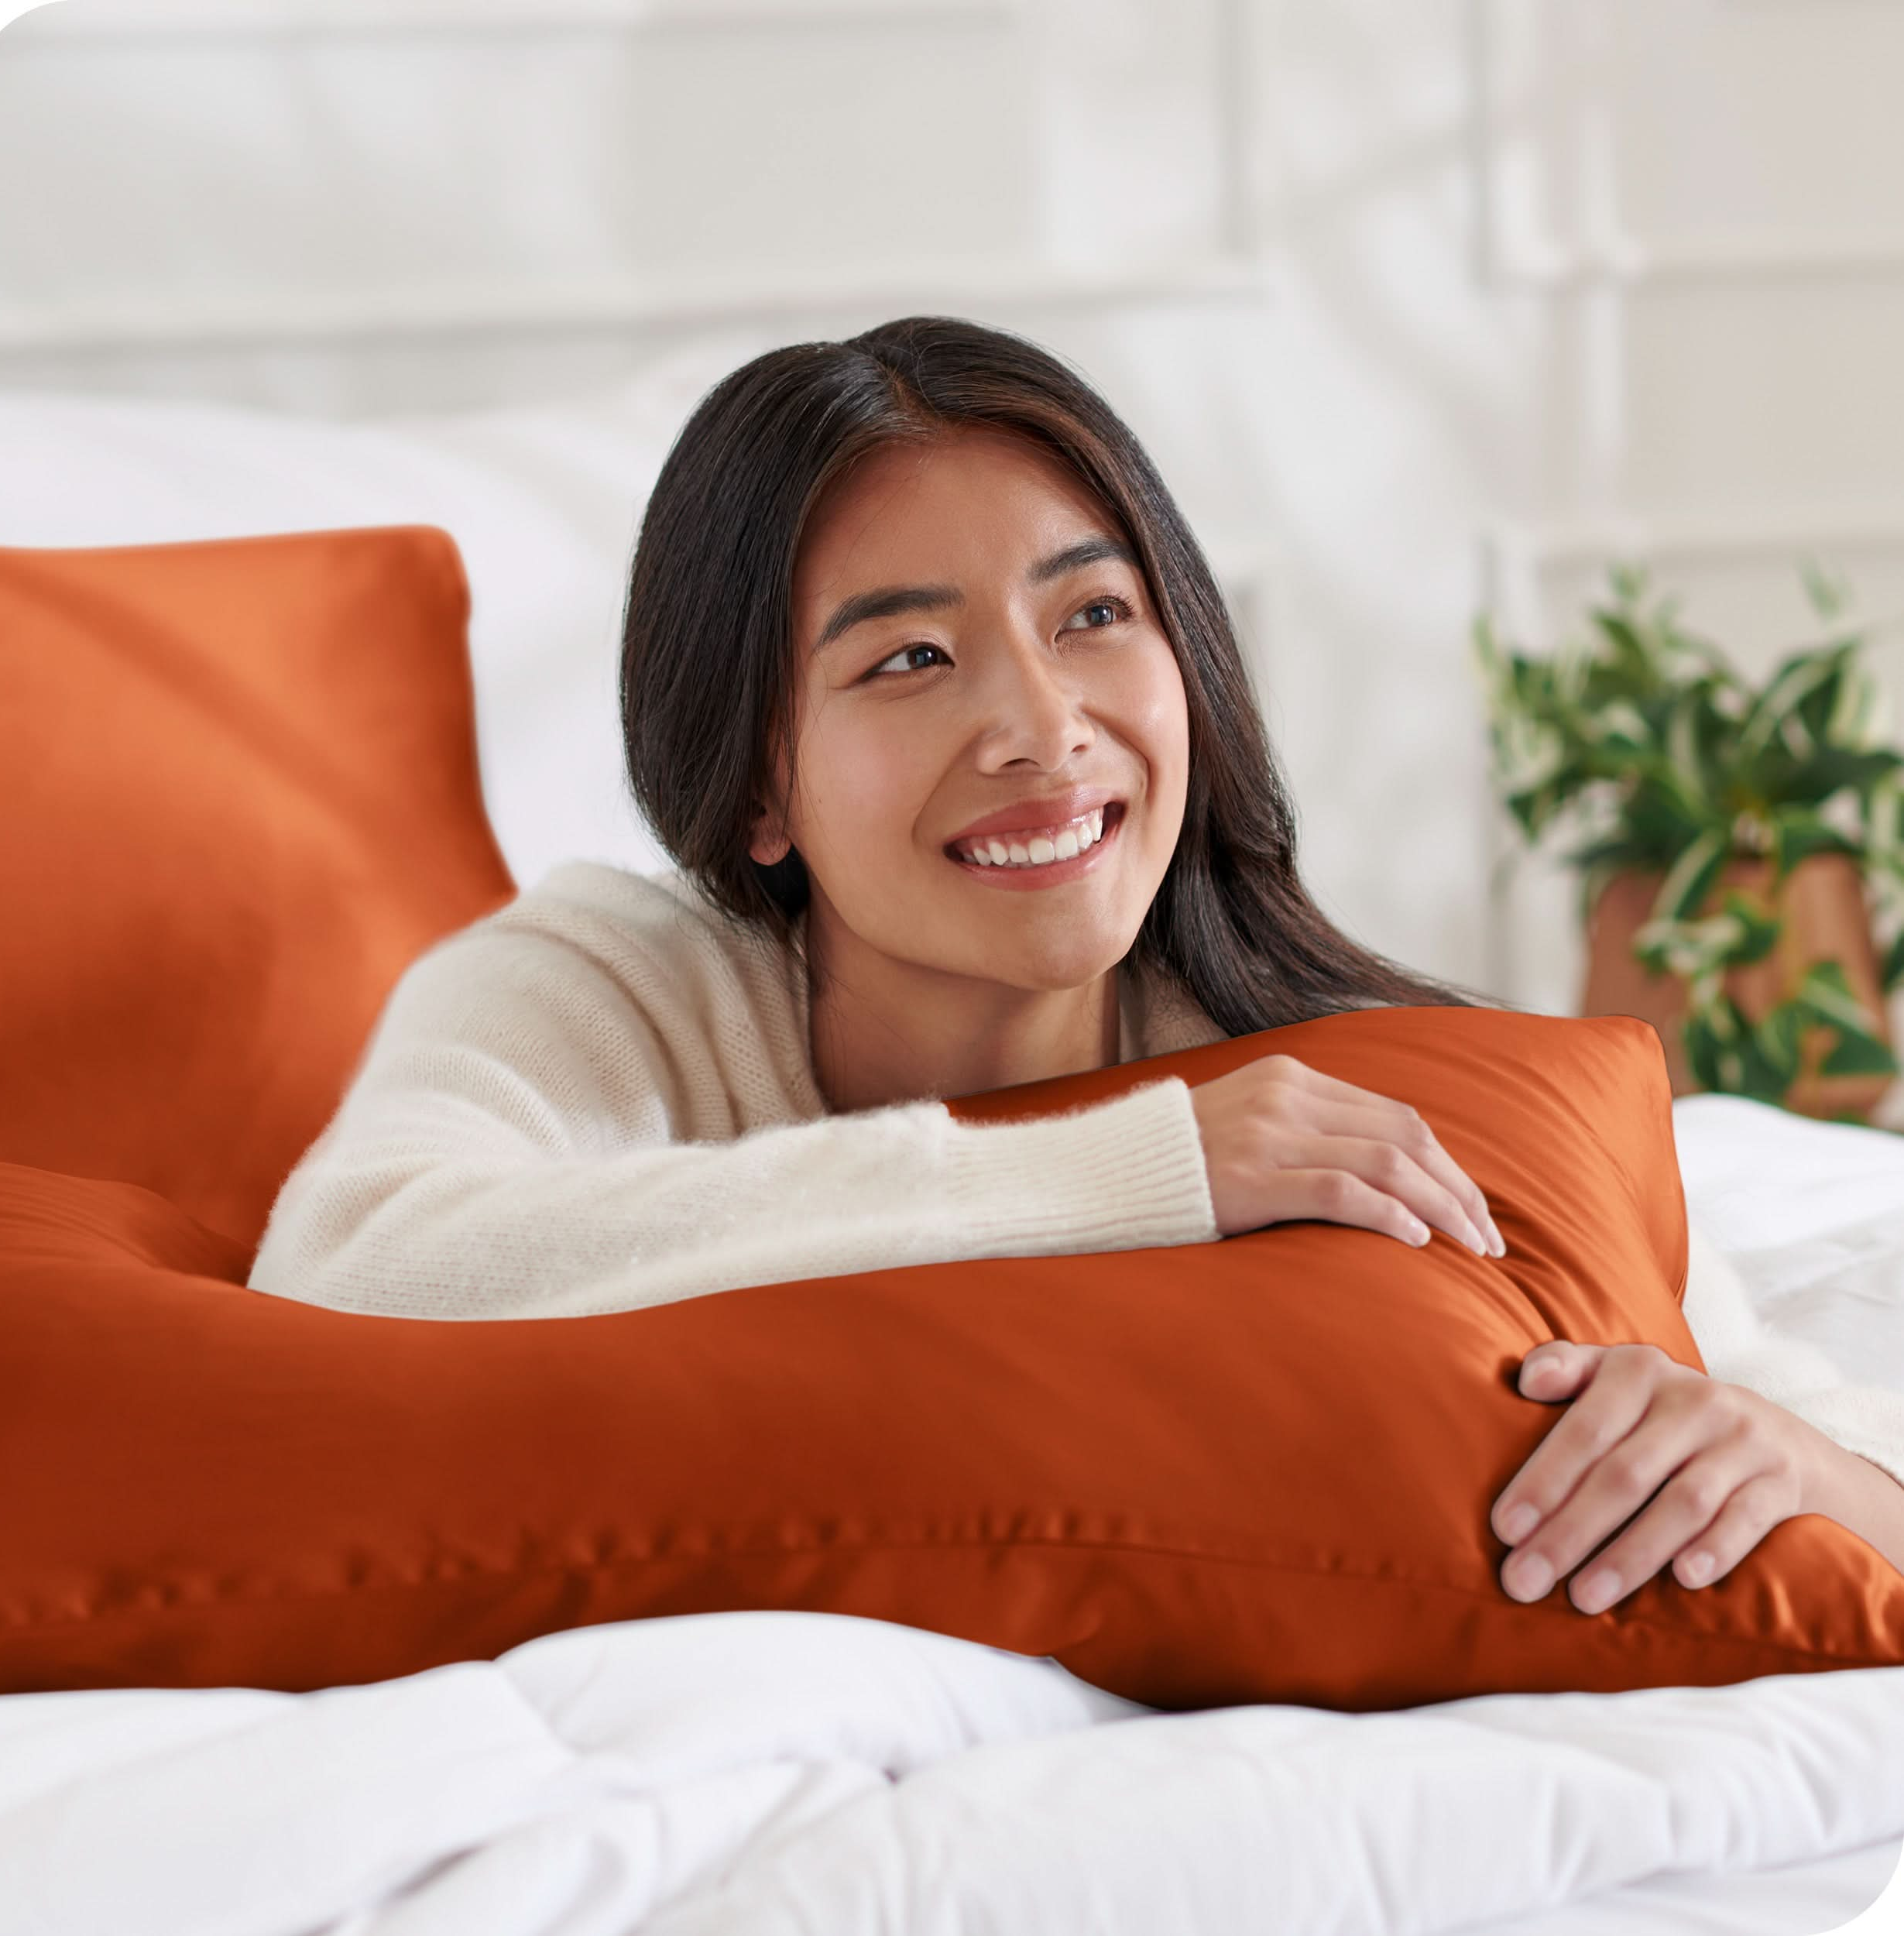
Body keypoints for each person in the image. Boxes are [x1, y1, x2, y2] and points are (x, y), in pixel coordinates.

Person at [248, 314, 1904, 1615]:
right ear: (755, 783)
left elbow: (1825, 1439)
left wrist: (1786, 1460)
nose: (1043, 730)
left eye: (1094, 616)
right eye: (909, 657)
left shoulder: (1367, 1077)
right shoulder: (613, 979)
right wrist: (1126, 1175)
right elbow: (354, 1261)